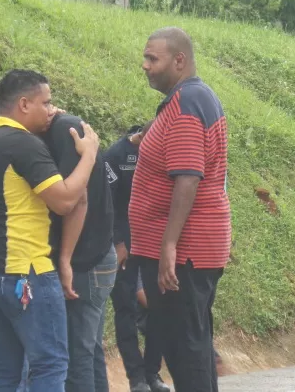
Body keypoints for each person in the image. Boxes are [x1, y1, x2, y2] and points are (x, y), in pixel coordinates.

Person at [0, 69, 100, 391]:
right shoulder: (23, 145)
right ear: (24, 105)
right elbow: (65, 201)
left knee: (2, 372)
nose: (51, 110)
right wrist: (90, 155)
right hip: (25, 271)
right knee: (50, 364)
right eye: (46, 103)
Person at [130, 27, 231, 391]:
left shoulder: (188, 103)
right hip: (187, 248)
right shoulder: (187, 99)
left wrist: (169, 245)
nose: (145, 65)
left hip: (185, 252)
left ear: (179, 60)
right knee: (191, 346)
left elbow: (188, 178)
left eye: (152, 58)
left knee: (185, 349)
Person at [42, 112, 117, 392]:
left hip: (85, 263)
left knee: (77, 356)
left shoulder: (65, 132)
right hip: (97, 256)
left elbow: (77, 200)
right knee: (90, 349)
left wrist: (65, 259)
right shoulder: (68, 128)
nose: (48, 108)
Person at [105, 123, 169, 392]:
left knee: (160, 307)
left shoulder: (163, 156)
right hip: (125, 245)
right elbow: (106, 204)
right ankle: (137, 378)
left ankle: (152, 373)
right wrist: (118, 242)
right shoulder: (115, 156)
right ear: (143, 137)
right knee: (126, 308)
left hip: (154, 243)